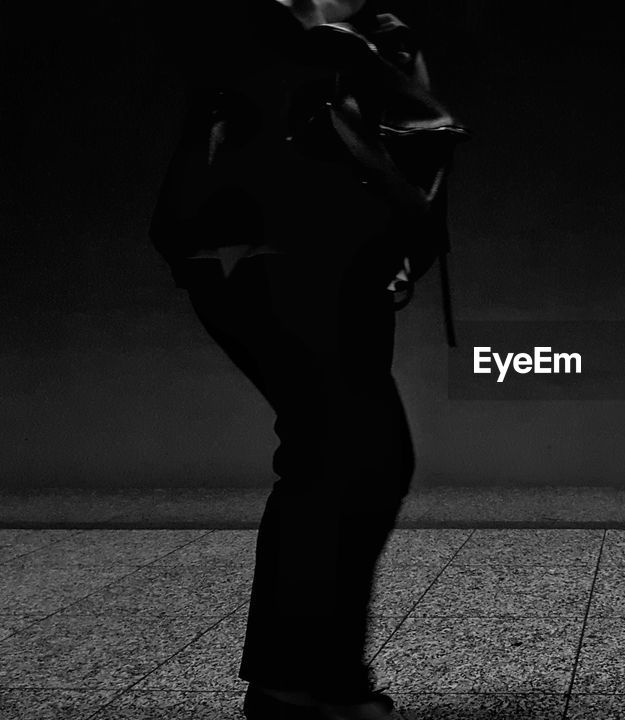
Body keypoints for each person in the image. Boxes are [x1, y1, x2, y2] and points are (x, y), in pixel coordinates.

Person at [147, 1, 460, 717]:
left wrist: (405, 249)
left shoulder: (386, 38)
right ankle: (296, 685)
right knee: (337, 448)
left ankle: (318, 675)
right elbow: (230, 144)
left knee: (370, 458)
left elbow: (424, 140)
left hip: (344, 264)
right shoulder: (254, 31)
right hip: (258, 262)